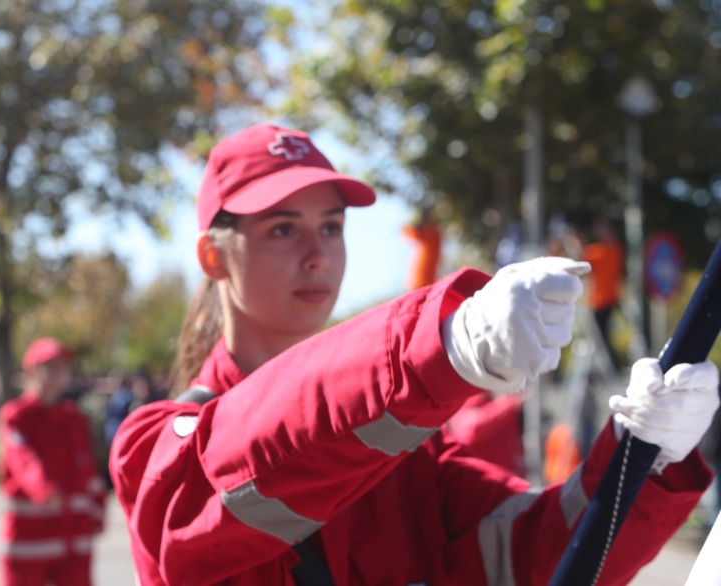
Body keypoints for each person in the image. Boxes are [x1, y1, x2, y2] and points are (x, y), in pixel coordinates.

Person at [108, 123, 717, 585]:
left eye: (331, 227)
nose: (317, 255)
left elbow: (530, 554)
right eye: (282, 229)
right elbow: (239, 458)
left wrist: (645, 458)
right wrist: (439, 348)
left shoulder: (408, 453)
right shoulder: (156, 448)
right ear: (214, 256)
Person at [0, 337, 105, 586]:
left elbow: (87, 469)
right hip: (30, 539)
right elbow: (22, 458)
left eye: (63, 366)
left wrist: (98, 510)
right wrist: (44, 489)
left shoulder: (74, 418)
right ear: (32, 371)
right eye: (50, 366)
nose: (59, 373)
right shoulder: (17, 415)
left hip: (73, 539)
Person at [582, 217, 625, 362]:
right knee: (599, 336)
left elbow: (586, 258)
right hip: (598, 300)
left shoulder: (612, 250)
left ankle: (611, 364)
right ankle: (607, 365)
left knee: (601, 336)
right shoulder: (598, 250)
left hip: (606, 300)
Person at [401, 207, 442, 289]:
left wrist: (418, 226)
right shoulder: (433, 234)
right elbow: (406, 234)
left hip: (421, 280)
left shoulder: (431, 234)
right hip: (424, 280)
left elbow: (406, 233)